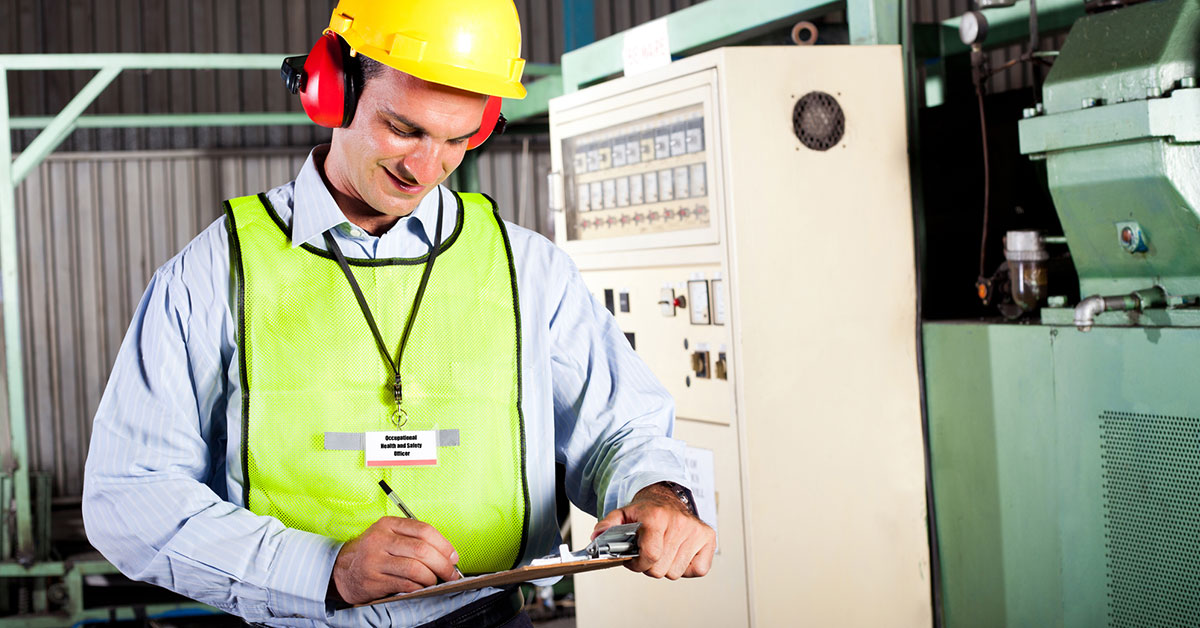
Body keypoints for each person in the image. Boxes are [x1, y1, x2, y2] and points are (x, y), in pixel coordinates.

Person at [82, 1, 715, 626]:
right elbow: (131, 497)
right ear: (333, 89)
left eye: (456, 140)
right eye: (404, 128)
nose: (424, 168)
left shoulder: (531, 271)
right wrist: (321, 569)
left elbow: (621, 430)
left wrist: (657, 493)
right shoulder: (213, 275)